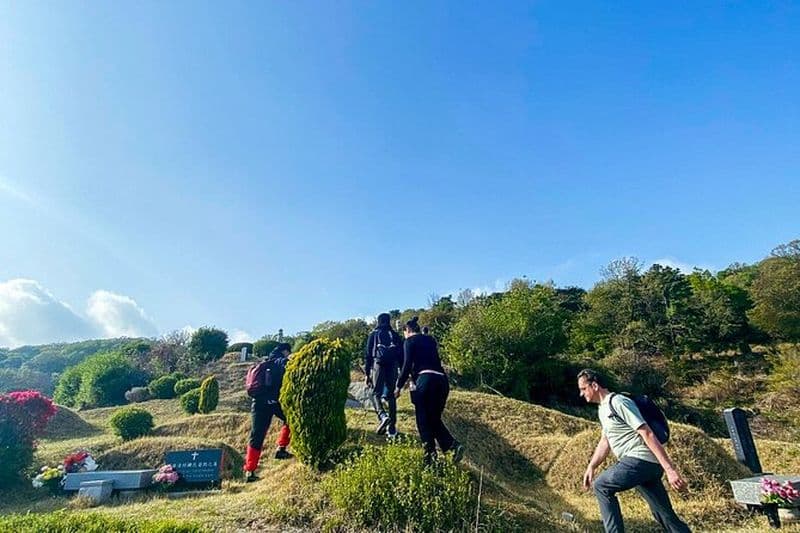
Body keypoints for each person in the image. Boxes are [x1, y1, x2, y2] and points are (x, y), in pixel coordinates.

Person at [577, 369, 690, 533]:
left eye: (583, 389)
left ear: (594, 385)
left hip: (639, 460)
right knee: (664, 515)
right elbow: (605, 441)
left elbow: (647, 432)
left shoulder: (618, 402)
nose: (581, 394)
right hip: (645, 465)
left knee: (602, 485)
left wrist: (670, 469)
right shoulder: (603, 409)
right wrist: (592, 466)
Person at [395, 316, 464, 464]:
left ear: (407, 330)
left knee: (423, 420)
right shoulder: (430, 340)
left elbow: (407, 366)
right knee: (433, 418)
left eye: (404, 333)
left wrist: (398, 386)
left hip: (426, 380)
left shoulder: (409, 342)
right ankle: (452, 447)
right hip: (442, 381)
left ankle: (430, 458)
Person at [244, 342, 293, 482]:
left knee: (256, 435)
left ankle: (250, 471)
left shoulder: (263, 363)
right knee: (291, 418)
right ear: (285, 351)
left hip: (258, 403)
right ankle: (281, 449)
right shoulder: (282, 361)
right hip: (276, 402)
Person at [364, 313, 401, 438]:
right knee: (391, 396)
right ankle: (392, 430)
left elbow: (368, 355)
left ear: (378, 321)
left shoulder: (373, 334)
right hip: (393, 366)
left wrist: (367, 373)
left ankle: (382, 416)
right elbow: (401, 354)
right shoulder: (394, 335)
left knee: (375, 393)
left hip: (378, 365)